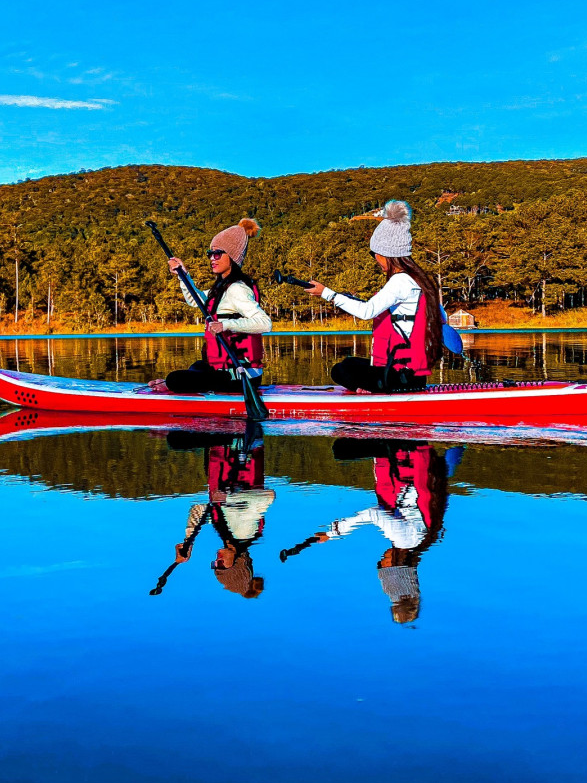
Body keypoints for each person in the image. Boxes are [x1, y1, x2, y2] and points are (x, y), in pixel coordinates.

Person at [284, 440, 460, 624]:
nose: (380, 559)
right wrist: (334, 532)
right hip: (407, 458)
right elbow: (374, 514)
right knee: (340, 451)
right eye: (381, 564)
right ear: (392, 565)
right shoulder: (403, 540)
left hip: (413, 466)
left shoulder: (421, 541)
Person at [302, 200, 461, 393]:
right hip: (415, 377)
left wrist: (326, 293)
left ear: (386, 254)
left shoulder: (399, 281)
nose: (375, 258)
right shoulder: (420, 282)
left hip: (397, 379)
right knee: (351, 362)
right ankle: (371, 385)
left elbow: (367, 311)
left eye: (374, 253)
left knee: (340, 370)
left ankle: (374, 388)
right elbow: (436, 318)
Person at [154, 426, 274, 599]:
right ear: (236, 565)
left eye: (214, 565)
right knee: (175, 441)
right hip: (242, 441)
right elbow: (267, 497)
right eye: (221, 565)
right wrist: (227, 498)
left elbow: (199, 510)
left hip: (223, 443)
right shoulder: (245, 531)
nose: (216, 561)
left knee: (176, 440)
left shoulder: (226, 533)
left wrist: (188, 542)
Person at [163, 218, 273, 395]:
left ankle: (172, 384)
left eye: (217, 254)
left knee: (174, 379)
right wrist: (183, 276)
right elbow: (195, 300)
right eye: (210, 254)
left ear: (233, 257)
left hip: (241, 376)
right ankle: (181, 381)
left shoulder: (237, 289)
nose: (212, 259)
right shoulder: (221, 288)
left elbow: (265, 323)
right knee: (198, 365)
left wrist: (226, 325)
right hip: (225, 371)